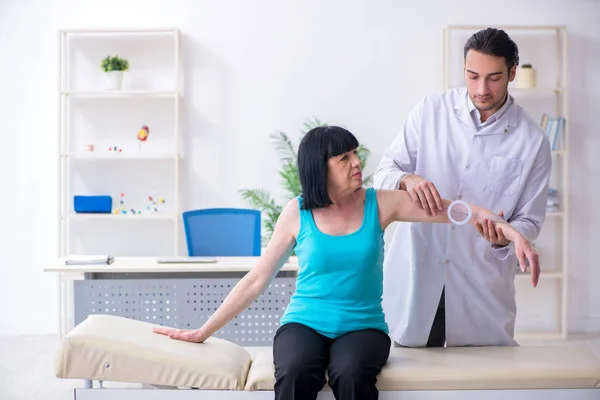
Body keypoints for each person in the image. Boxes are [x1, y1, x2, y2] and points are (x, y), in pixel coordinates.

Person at [153, 125, 539, 400]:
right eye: (345, 157)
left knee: (350, 375)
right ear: (321, 167)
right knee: (296, 373)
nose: (358, 162)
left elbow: (451, 210)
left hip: (364, 327)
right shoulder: (297, 212)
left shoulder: (380, 202)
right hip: (304, 323)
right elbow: (256, 280)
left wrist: (508, 228)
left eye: (355, 154)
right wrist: (202, 331)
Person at [373, 27, 552, 348]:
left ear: (512, 73)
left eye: (494, 78)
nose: (481, 88)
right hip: (418, 271)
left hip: (479, 286)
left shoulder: (532, 140)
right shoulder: (431, 111)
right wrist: (406, 179)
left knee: (476, 380)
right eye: (472, 76)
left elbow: (531, 220)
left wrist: (502, 238)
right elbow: (384, 172)